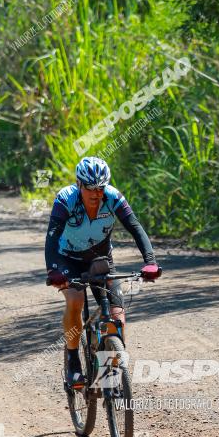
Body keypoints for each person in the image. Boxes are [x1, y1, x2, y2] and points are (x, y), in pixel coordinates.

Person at [45, 156, 161, 388]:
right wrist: (53, 270)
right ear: (79, 185)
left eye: (101, 187)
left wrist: (150, 262)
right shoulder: (65, 199)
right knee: (76, 301)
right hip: (68, 258)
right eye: (91, 189)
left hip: (100, 260)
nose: (97, 193)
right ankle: (73, 360)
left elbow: (135, 228)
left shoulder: (113, 197)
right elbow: (51, 237)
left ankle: (111, 375)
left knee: (117, 314)